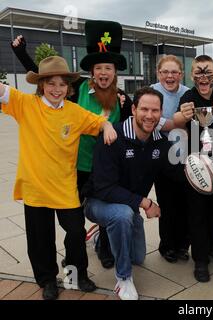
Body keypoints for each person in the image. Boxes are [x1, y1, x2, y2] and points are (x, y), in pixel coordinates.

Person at [11, 20, 133, 269]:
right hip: (77, 168)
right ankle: (72, 259)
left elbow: (131, 128)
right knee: (73, 224)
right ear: (92, 71)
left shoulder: (122, 99)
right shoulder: (75, 90)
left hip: (106, 169)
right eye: (98, 67)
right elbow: (48, 80)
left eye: (108, 68)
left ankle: (105, 246)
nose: (103, 72)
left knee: (108, 208)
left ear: (114, 72)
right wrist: (21, 54)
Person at [0, 56, 117, 300]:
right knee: (41, 238)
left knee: (75, 231)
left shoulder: (74, 111)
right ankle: (47, 279)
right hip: (35, 188)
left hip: (65, 187)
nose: (57, 89)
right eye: (51, 84)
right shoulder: (25, 104)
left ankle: (77, 273)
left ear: (68, 87)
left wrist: (107, 127)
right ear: (41, 85)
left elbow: (98, 121)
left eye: (62, 84)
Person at [82, 86, 183, 300]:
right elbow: (103, 187)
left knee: (138, 257)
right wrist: (145, 203)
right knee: (121, 216)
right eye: (144, 109)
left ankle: (101, 237)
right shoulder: (113, 136)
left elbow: (175, 173)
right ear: (134, 109)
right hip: (97, 202)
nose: (149, 115)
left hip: (129, 204)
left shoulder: (159, 142)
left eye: (155, 111)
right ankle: (123, 279)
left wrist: (199, 169)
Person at [173, 55, 213, 282]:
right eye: (198, 73)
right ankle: (200, 259)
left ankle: (212, 244)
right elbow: (178, 116)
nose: (203, 77)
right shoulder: (188, 96)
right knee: (197, 210)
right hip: (196, 161)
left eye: (208, 72)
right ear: (192, 76)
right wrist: (183, 115)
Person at [150, 55, 190, 263]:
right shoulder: (152, 92)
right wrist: (179, 122)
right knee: (167, 203)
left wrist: (169, 123)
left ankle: (183, 245)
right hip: (161, 155)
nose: (170, 76)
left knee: (185, 203)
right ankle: (167, 246)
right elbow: (152, 121)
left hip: (184, 154)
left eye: (174, 72)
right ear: (158, 73)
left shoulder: (188, 94)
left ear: (181, 74)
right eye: (165, 71)